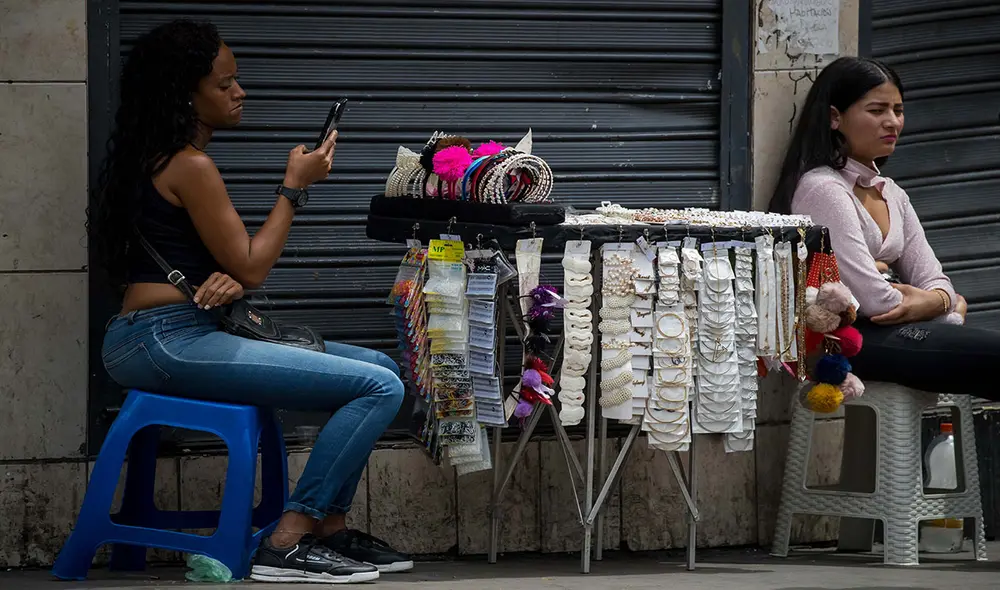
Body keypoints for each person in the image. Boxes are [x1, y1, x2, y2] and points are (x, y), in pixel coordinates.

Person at [91, 19, 411, 584]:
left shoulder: (155, 158)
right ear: (183, 94)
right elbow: (253, 265)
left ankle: (330, 527)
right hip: (164, 339)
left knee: (383, 367)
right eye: (224, 84)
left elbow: (222, 265)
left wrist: (227, 280)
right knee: (380, 386)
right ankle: (290, 537)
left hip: (173, 330)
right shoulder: (189, 164)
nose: (240, 93)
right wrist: (294, 186)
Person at [768, 55, 1000, 398]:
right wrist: (944, 306)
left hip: (898, 332)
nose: (892, 122)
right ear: (835, 117)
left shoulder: (892, 193)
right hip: (851, 341)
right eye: (877, 111)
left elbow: (935, 278)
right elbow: (875, 301)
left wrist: (936, 299)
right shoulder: (824, 189)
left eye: (898, 110)